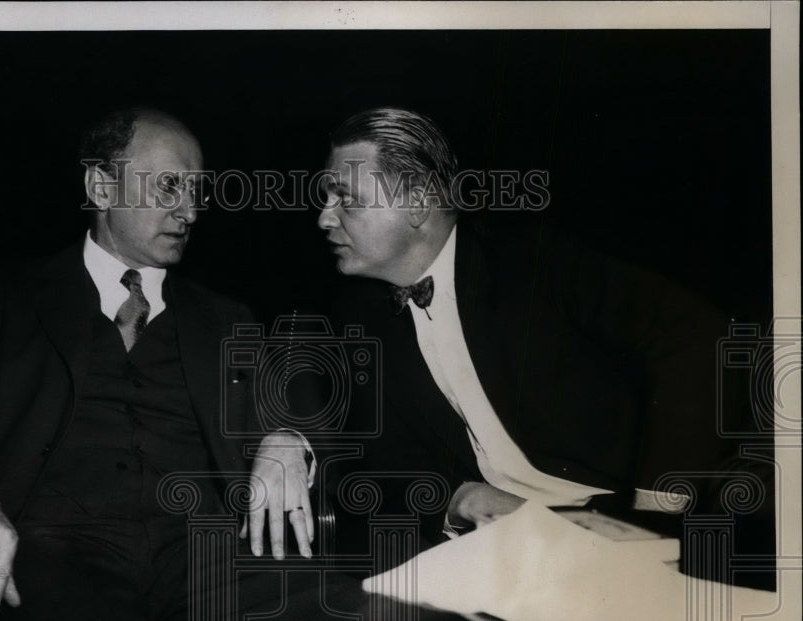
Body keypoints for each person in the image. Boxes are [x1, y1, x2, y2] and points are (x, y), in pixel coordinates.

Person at [0, 106, 338, 621]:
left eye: (198, 190)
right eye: (171, 185)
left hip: (200, 552)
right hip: (57, 559)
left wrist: (288, 436)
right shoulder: (4, 297)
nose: (191, 209)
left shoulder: (223, 317)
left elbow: (304, 399)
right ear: (101, 187)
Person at [315, 107, 753, 552]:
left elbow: (697, 335)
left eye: (345, 199)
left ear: (417, 202)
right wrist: (459, 497)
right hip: (503, 547)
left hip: (626, 524)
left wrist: (659, 506)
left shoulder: (537, 263)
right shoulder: (361, 316)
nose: (324, 219)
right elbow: (386, 457)